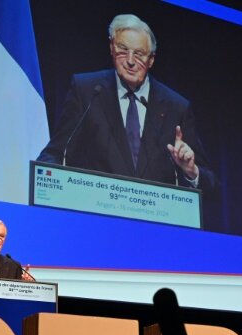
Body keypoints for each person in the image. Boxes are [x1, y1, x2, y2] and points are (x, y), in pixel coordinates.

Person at [37, 14, 219, 201]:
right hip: (96, 216)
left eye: (139, 54)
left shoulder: (176, 107)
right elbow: (55, 154)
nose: (130, 61)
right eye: (123, 50)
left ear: (151, 60)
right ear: (111, 48)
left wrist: (191, 171)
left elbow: (211, 183)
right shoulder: (87, 91)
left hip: (156, 222)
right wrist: (48, 184)